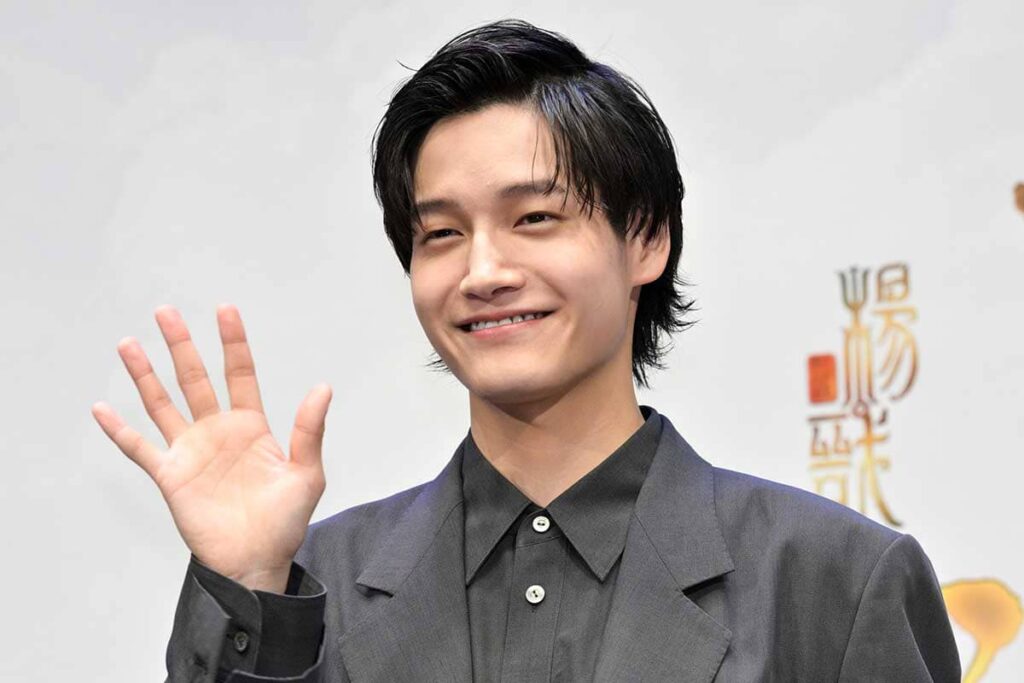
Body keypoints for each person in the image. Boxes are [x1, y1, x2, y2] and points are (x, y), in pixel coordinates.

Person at [92, 19, 961, 683]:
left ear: (647, 239)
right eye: (441, 233)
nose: (483, 272)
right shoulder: (308, 588)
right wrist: (249, 582)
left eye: (534, 217)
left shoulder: (833, 581)